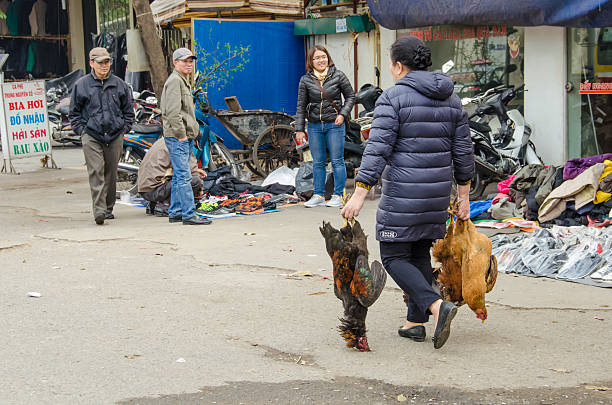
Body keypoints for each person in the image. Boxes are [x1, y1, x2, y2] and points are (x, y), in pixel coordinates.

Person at [341, 36, 475, 349]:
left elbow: (377, 149)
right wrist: (464, 197)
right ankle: (415, 323)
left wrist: (360, 192)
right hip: (437, 195)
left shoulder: (393, 98)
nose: (391, 69)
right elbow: (464, 151)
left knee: (392, 255)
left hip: (404, 194)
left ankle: (437, 305)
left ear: (400, 66)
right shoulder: (452, 99)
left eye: (391, 64)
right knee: (416, 253)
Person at [69, 47, 135, 225]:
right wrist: (81, 131)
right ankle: (98, 210)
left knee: (111, 173)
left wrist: (123, 129)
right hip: (91, 135)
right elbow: (73, 113)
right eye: (100, 62)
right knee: (96, 171)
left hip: (114, 135)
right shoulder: (81, 85)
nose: (104, 66)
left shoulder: (119, 84)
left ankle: (108, 208)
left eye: (107, 62)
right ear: (91, 63)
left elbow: (128, 111)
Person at [295, 45, 355, 208]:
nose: (321, 60)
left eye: (323, 57)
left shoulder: (338, 76)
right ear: (311, 61)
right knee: (318, 162)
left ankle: (338, 195)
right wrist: (299, 129)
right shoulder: (305, 80)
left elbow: (350, 96)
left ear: (328, 58)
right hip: (314, 126)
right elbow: (301, 105)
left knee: (337, 161)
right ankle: (319, 195)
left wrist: (343, 114)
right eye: (317, 58)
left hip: (335, 124)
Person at [160, 48, 210, 225]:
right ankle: (189, 214)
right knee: (183, 176)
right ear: (175, 63)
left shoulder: (182, 81)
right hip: (177, 137)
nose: (189, 64)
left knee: (179, 175)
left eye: (190, 61)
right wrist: (181, 134)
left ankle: (175, 212)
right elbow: (172, 112)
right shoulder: (175, 81)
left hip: (184, 136)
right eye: (184, 61)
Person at [137, 138, 207, 216]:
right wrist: (200, 189)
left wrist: (195, 170)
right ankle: (166, 204)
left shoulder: (165, 140)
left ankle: (155, 204)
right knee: (195, 181)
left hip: (144, 190)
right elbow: (192, 173)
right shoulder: (182, 144)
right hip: (156, 191)